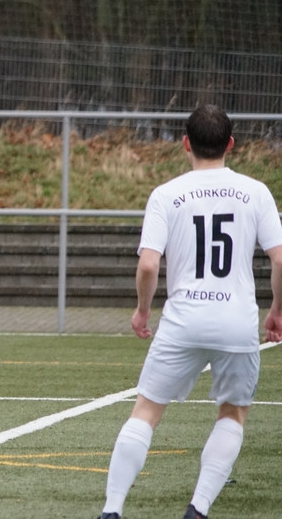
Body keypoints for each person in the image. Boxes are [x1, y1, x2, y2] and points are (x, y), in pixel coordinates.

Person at [96, 104, 282, 519]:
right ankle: (198, 508)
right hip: (236, 322)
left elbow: (148, 264)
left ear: (185, 143)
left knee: (146, 410)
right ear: (231, 144)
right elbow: (280, 258)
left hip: (182, 321)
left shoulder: (166, 194)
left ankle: (112, 509)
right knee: (233, 413)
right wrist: (277, 311)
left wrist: (142, 311)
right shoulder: (256, 191)